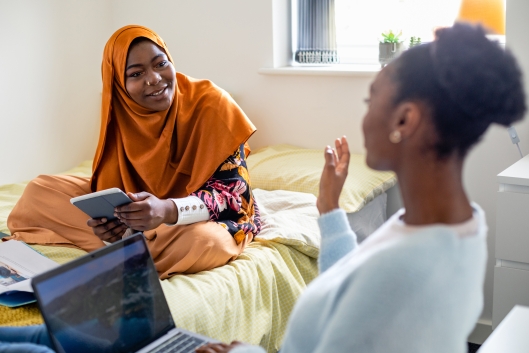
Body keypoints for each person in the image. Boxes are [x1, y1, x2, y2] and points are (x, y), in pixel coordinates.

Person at [196, 24, 526, 352]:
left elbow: (370, 292)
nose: (364, 118)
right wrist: (330, 209)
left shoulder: (405, 268)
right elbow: (351, 292)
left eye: (371, 101)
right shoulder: (457, 226)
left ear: (404, 120)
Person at [5, 25, 261, 279]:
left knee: (205, 242)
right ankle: (130, 244)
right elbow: (113, 188)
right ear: (119, 83)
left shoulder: (213, 104)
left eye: (160, 64)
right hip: (141, 217)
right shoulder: (120, 113)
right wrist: (115, 226)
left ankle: (133, 246)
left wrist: (166, 209)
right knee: (38, 192)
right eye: (136, 73)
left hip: (195, 218)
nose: (154, 78)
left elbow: (233, 197)